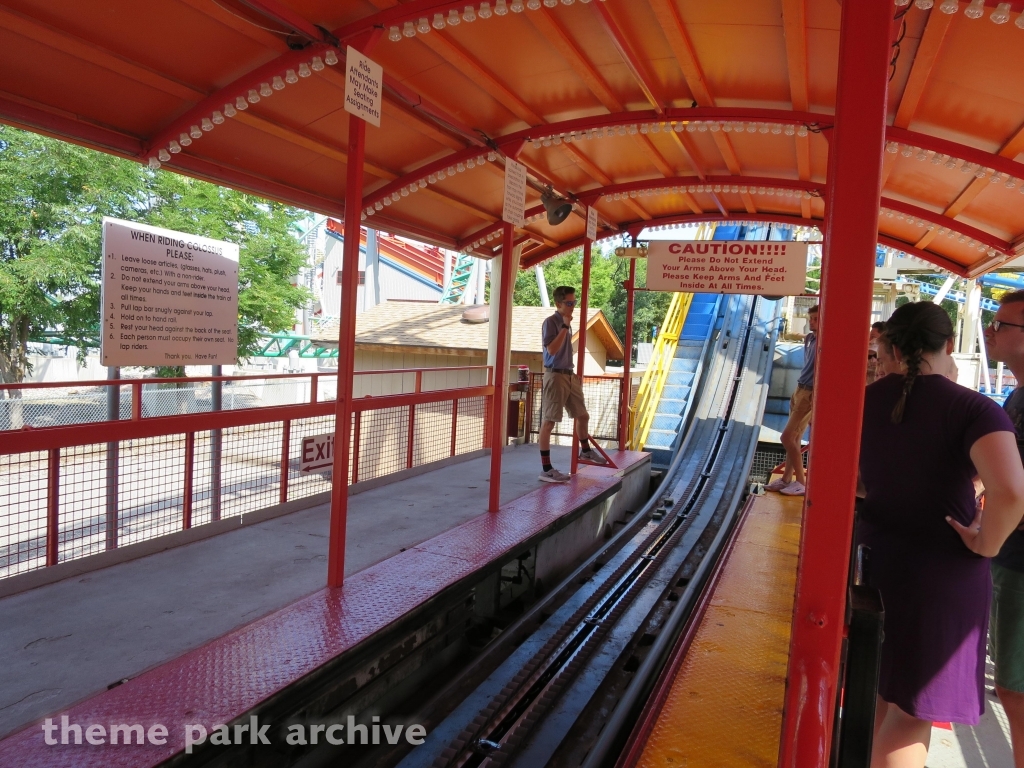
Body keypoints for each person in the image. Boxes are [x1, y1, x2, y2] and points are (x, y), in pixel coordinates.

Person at [859, 302, 1024, 768]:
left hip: (873, 559)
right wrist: (986, 542)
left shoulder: (861, 400)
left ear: (889, 347)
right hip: (942, 575)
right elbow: (1011, 491)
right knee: (914, 711)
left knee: (879, 692)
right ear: (949, 345)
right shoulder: (973, 408)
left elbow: (848, 479)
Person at [983, 290, 1024, 768]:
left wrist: (984, 535)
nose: (990, 332)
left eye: (1001, 325)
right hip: (1013, 557)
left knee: (1017, 691)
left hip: (1021, 564)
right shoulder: (1017, 394)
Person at [537, 286, 606, 483]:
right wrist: (565, 327)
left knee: (582, 415)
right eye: (569, 303)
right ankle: (546, 469)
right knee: (549, 421)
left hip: (569, 374)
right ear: (558, 304)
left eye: (574, 303)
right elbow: (551, 349)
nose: (573, 306)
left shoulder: (567, 323)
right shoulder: (551, 323)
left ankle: (585, 452)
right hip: (555, 375)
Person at [766, 304, 818, 496]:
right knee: (794, 437)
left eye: (815, 318)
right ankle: (787, 479)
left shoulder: (822, 340)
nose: (811, 322)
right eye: (810, 318)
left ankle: (801, 482)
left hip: (810, 391)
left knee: (786, 437)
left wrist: (815, 396)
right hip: (800, 388)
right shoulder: (810, 339)